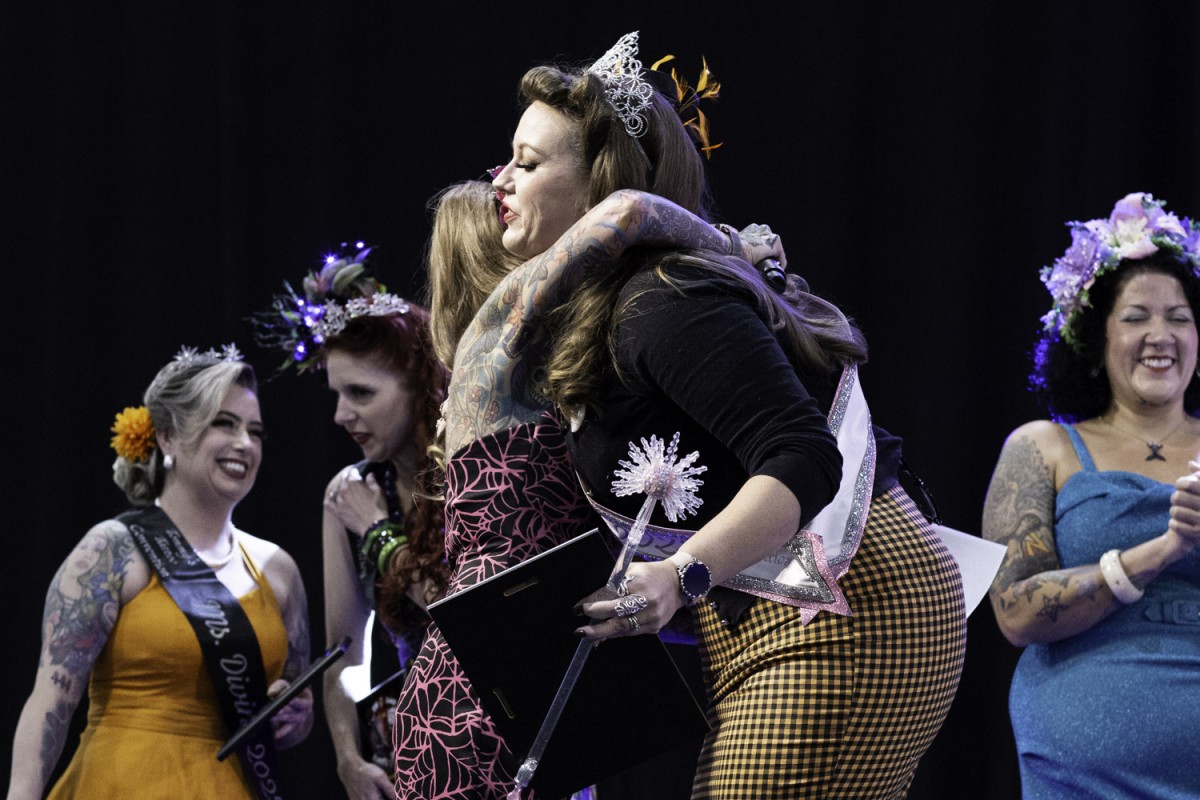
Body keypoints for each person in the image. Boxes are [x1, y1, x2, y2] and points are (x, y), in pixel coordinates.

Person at [487, 31, 966, 799]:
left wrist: (680, 573)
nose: (501, 180)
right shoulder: (610, 314)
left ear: (603, 183)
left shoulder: (663, 302)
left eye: (529, 162)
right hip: (771, 619)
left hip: (852, 604)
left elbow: (803, 454)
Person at [395, 167, 784, 798]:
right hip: (488, 697)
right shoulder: (498, 341)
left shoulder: (531, 377)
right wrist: (733, 247)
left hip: (528, 685)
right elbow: (627, 213)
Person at [6, 345, 312, 800]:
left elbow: (295, 710)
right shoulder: (113, 549)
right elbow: (50, 702)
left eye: (255, 431)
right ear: (167, 437)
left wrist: (296, 717)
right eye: (223, 423)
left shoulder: (279, 570)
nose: (245, 444)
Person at [982, 192, 1200, 798]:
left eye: (1180, 317)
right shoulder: (1043, 447)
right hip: (1083, 772)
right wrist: (1164, 549)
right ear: (1094, 338)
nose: (1160, 334)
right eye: (1136, 317)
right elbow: (1015, 611)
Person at [254, 245, 449, 800]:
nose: (341, 415)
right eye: (336, 394)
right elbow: (343, 655)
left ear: (420, 385)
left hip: (513, 736)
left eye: (360, 393)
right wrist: (347, 758)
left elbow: (465, 616)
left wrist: (380, 532)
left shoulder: (474, 469)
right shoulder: (350, 494)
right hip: (418, 750)